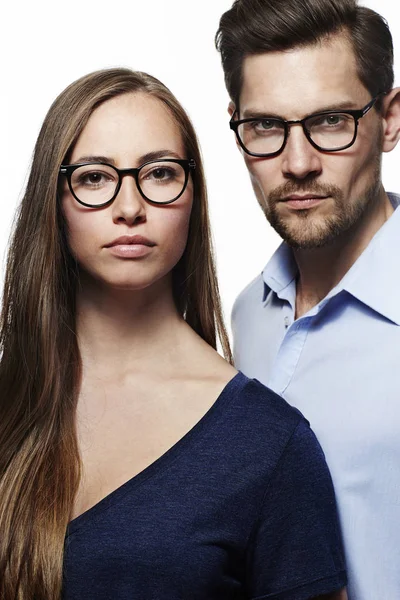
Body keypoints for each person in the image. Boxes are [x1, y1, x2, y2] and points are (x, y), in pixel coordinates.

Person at [0, 68, 346, 599]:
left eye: (159, 173)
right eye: (94, 177)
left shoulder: (268, 443)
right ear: (55, 200)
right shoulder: (12, 399)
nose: (130, 208)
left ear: (193, 196)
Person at [215, 0, 400, 598]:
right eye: (267, 126)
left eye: (330, 121)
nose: (297, 164)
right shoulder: (246, 314)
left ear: (392, 120)